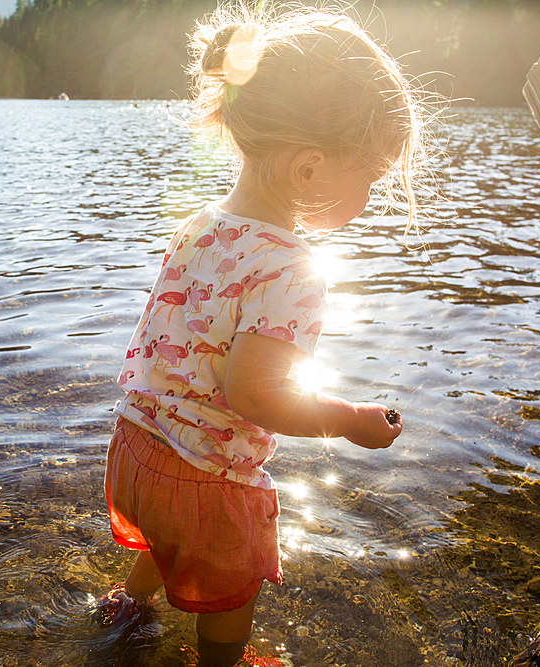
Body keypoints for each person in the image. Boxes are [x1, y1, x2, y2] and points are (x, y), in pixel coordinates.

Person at [102, 3, 425, 665]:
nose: (368, 199)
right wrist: (347, 420)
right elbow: (252, 393)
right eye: (367, 178)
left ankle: (125, 609)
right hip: (201, 485)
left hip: (134, 448)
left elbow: (172, 342)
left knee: (166, 544)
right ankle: (221, 656)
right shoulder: (294, 269)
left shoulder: (199, 224)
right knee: (232, 595)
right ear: (307, 169)